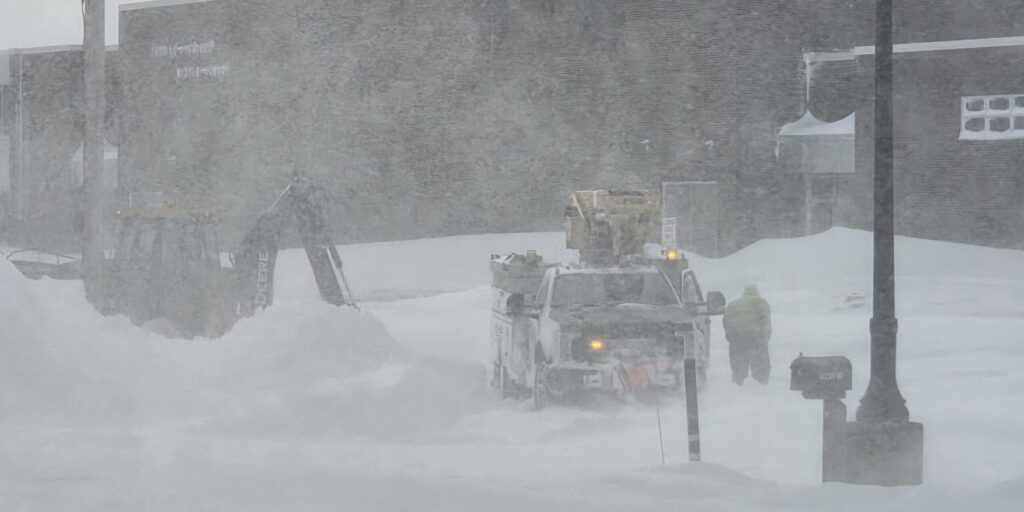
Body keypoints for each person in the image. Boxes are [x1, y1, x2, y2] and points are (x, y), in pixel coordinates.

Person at [722, 285, 772, 385]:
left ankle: (737, 384)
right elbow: (766, 321)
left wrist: (731, 337)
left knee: (738, 364)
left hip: (737, 337)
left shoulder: (733, 304)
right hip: (755, 336)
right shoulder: (761, 302)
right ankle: (760, 385)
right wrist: (764, 338)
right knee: (760, 366)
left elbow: (726, 320)